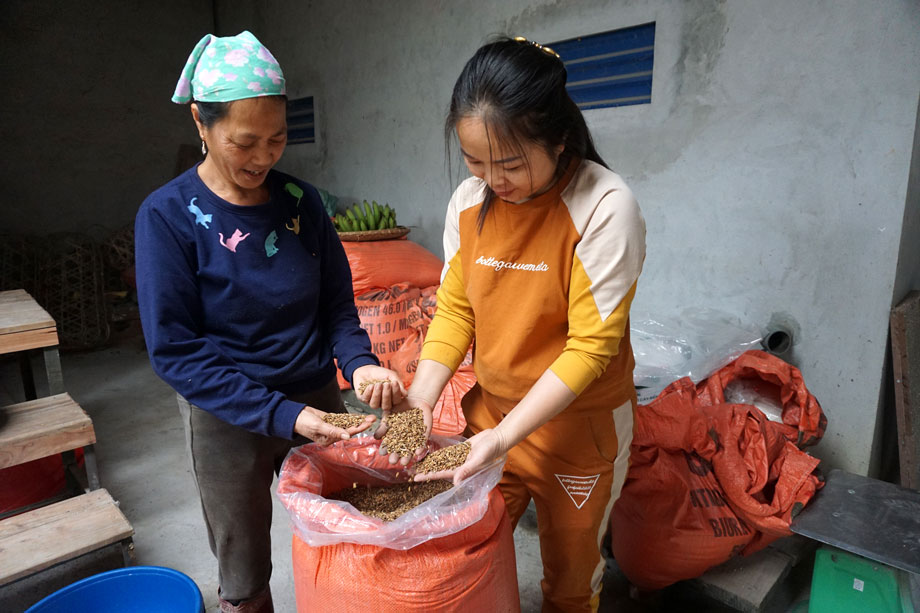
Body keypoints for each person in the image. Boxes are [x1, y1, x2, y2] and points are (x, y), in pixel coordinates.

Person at [134, 31, 404, 613]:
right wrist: (284, 415)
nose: (263, 157)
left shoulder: (301, 203)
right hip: (228, 410)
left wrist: (360, 365)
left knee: (344, 523)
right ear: (200, 123)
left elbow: (337, 306)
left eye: (277, 138)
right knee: (244, 562)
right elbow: (176, 350)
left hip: (316, 393)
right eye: (245, 142)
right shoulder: (168, 217)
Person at [382, 37, 646, 612]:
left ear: (559, 138)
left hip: (578, 434)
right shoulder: (469, 202)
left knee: (571, 582)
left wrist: (503, 439)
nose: (492, 180)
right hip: (491, 416)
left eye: (510, 164)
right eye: (475, 161)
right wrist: (422, 399)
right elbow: (457, 309)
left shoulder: (604, 206)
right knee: (468, 553)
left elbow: (590, 349)